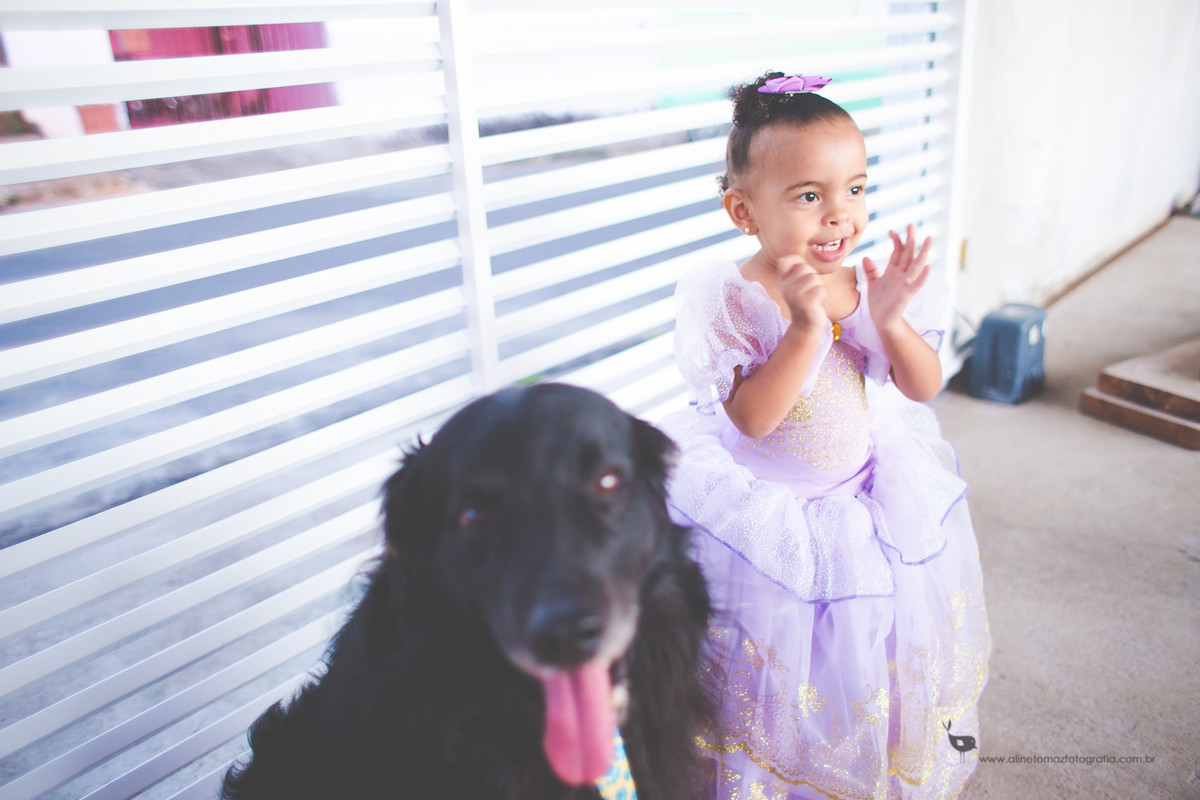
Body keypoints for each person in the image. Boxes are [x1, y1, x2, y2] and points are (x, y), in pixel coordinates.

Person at [660, 71, 990, 799]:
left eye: (856, 189)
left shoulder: (861, 284)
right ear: (744, 210)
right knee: (772, 661)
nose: (840, 214)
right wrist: (808, 330)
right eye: (810, 196)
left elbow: (921, 386)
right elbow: (753, 418)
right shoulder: (732, 295)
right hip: (768, 517)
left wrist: (891, 319)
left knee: (862, 653)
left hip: (860, 500)